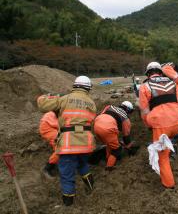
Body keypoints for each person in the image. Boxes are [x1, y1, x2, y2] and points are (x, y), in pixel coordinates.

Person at [37, 76, 96, 206]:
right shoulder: (92, 103)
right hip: (86, 142)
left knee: (66, 173)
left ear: (75, 86)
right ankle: (91, 187)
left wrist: (43, 97)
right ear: (88, 88)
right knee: (82, 164)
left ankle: (68, 203)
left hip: (69, 142)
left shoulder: (65, 99)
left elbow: (43, 105)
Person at [139, 62, 178, 189]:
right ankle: (171, 149)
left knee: (162, 157)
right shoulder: (172, 83)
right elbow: (177, 102)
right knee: (168, 141)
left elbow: (144, 110)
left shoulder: (145, 86)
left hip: (161, 124)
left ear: (148, 73)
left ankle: (169, 185)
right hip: (177, 121)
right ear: (160, 72)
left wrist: (148, 124)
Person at [93, 101, 138, 171]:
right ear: (128, 110)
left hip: (96, 125)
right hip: (108, 129)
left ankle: (108, 158)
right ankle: (109, 167)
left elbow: (103, 116)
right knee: (117, 149)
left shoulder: (109, 107)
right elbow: (126, 137)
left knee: (110, 144)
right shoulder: (126, 119)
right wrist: (129, 146)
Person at [39, 110, 60, 179]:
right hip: (48, 127)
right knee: (60, 148)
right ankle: (47, 168)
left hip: (49, 126)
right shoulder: (61, 110)